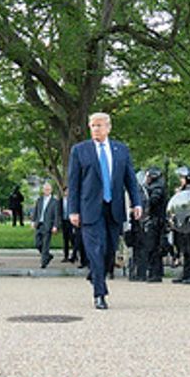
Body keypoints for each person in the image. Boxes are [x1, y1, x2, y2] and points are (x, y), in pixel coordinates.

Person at [66, 112, 142, 309]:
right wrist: (73, 210)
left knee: (109, 251)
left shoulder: (121, 150)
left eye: (99, 125)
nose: (95, 129)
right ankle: (100, 293)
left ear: (108, 127)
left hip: (114, 208)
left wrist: (137, 203)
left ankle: (96, 273)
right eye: (92, 125)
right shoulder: (80, 150)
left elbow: (130, 180)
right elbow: (73, 184)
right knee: (96, 249)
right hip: (90, 209)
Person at [32, 182, 61, 268]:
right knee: (37, 244)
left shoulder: (55, 202)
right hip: (39, 224)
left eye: (48, 189)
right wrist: (33, 221)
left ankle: (43, 262)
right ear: (43, 190)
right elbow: (36, 211)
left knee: (45, 245)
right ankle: (48, 256)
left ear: (51, 190)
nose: (46, 191)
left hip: (48, 225)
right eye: (45, 189)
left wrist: (55, 226)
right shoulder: (39, 200)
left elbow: (57, 215)